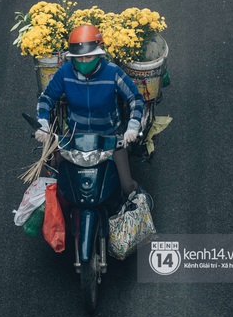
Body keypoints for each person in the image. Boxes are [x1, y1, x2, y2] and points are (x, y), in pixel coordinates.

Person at [35, 25, 151, 203]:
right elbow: (47, 98)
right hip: (74, 136)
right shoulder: (64, 73)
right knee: (47, 179)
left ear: (98, 54)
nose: (83, 61)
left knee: (126, 187)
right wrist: (42, 124)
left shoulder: (113, 73)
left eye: (88, 56)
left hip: (110, 137)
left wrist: (132, 127)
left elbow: (135, 98)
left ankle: (138, 195)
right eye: (78, 57)